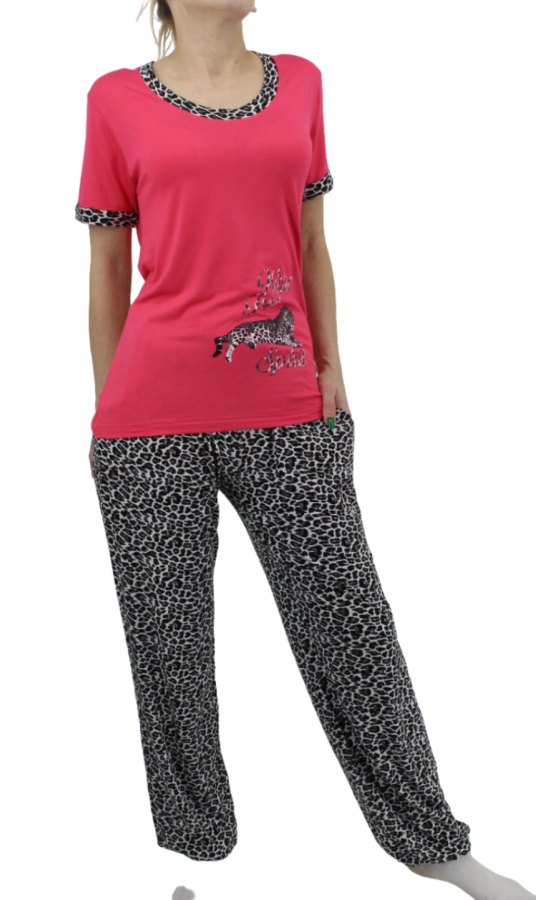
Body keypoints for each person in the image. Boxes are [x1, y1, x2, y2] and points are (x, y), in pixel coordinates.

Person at [75, 2, 535, 898]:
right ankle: (193, 863)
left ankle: (430, 841)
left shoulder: (302, 83)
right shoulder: (114, 100)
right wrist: (106, 413)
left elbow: (314, 242)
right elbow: (105, 265)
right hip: (148, 421)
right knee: (170, 652)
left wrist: (333, 370)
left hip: (287, 404)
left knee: (352, 627)